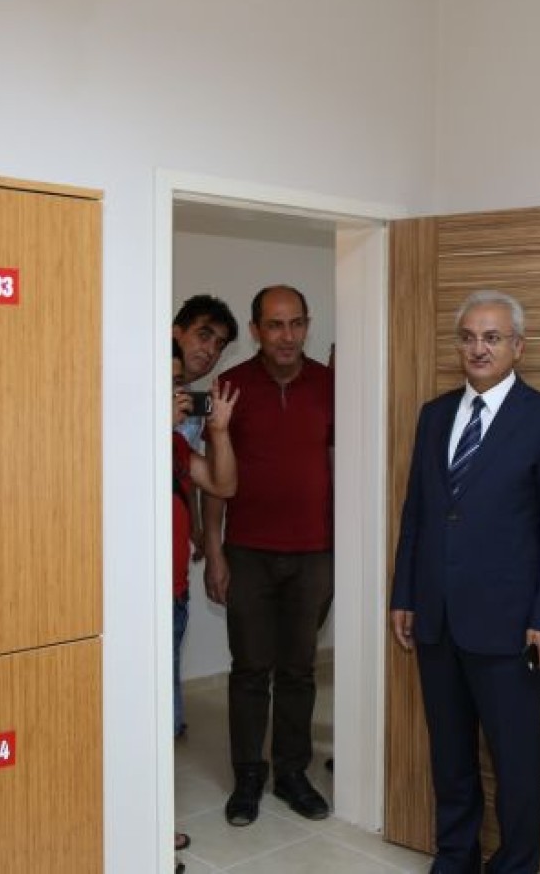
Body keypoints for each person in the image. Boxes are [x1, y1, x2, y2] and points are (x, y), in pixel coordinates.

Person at [389, 289, 540, 874]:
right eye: (469, 337)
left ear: (517, 346)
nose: (479, 348)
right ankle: (455, 858)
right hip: (437, 619)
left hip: (510, 628)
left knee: (516, 764)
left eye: (492, 337)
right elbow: (417, 513)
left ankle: (516, 865)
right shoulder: (434, 415)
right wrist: (404, 594)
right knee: (450, 758)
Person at [202, 285, 335, 826]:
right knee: (251, 669)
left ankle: (292, 774)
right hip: (248, 553)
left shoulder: (330, 385)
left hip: (315, 553)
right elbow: (215, 478)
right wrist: (214, 552)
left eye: (296, 323)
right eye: (275, 325)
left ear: (307, 324)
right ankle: (248, 777)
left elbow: (341, 465)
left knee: (299, 669)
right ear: (256, 330)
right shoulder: (230, 387)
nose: (287, 336)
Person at [169, 338, 238, 863]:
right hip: (131, 608)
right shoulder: (117, 434)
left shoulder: (174, 444)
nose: (176, 394)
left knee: (164, 721)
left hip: (173, 596)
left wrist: (217, 432)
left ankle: (153, 818)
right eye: (165, 384)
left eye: (177, 384)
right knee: (144, 721)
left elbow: (222, 483)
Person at [173, 294, 239, 450]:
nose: (211, 350)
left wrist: (219, 432)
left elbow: (191, 464)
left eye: (219, 345)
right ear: (176, 333)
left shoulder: (195, 403)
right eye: (204, 336)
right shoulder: (137, 383)